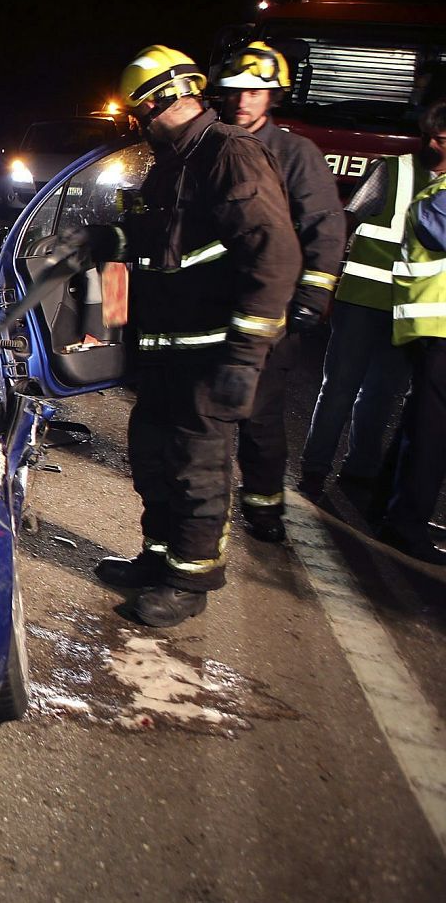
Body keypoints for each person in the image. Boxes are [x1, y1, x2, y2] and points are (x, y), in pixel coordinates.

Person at [86, 45, 300, 627]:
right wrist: (111, 253)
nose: (139, 127)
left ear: (164, 100)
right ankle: (157, 556)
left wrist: (246, 355)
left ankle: (189, 578)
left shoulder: (229, 156)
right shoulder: (172, 163)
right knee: (152, 458)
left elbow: (274, 257)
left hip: (209, 353)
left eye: (140, 114)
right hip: (162, 351)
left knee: (196, 466)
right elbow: (160, 254)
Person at [215, 42, 345, 541]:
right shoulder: (216, 145)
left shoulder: (295, 154)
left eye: (256, 91)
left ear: (273, 97)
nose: (244, 100)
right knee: (207, 412)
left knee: (259, 416)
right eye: (236, 91)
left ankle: (263, 507)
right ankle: (209, 510)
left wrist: (312, 297)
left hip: (271, 311)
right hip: (212, 306)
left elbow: (324, 228)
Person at [296, 122, 445, 499]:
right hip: (361, 298)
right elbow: (347, 222)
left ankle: (359, 471)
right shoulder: (392, 170)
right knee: (339, 388)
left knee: (382, 393)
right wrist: (325, 281)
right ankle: (315, 469)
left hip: (407, 308)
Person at [376, 102, 446, 565]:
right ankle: (406, 525)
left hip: (432, 325)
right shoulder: (438, 197)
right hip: (440, 326)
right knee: (432, 434)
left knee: (420, 427)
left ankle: (394, 510)